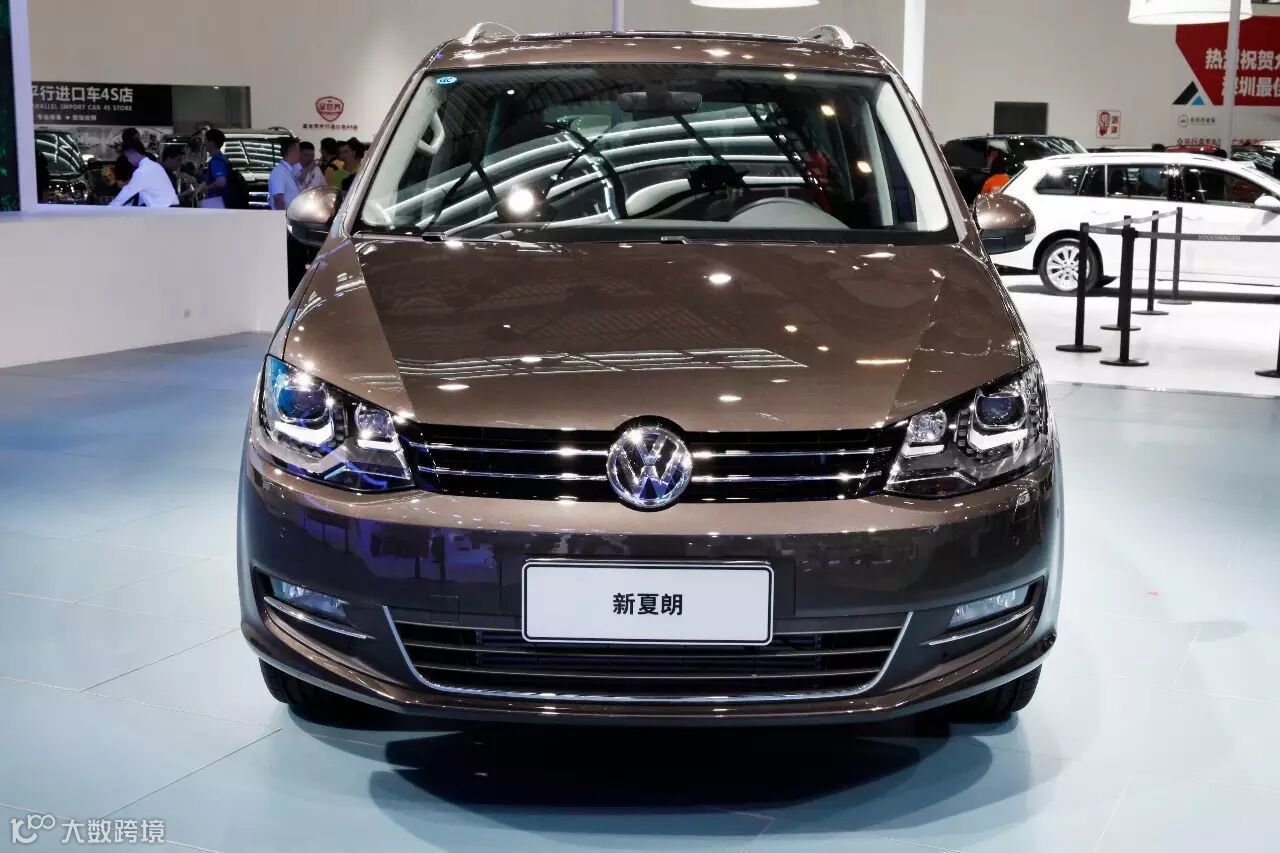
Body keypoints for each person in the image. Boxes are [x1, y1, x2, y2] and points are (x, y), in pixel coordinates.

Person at [108, 138, 179, 208]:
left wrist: (109, 208)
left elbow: (127, 192)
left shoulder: (142, 171)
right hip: (169, 208)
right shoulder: (154, 165)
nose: (129, 160)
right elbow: (144, 196)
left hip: (166, 209)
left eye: (128, 157)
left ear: (133, 153)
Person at [268, 137, 302, 211]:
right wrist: (282, 217)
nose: (300, 154)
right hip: (284, 217)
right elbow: (278, 200)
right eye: (299, 151)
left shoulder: (290, 171)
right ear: (293, 151)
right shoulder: (279, 172)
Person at [201, 128, 231, 208]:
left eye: (205, 140)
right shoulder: (223, 158)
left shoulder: (216, 161)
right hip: (223, 201)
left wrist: (206, 188)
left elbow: (221, 182)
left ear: (211, 143)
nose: (203, 143)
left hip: (216, 203)